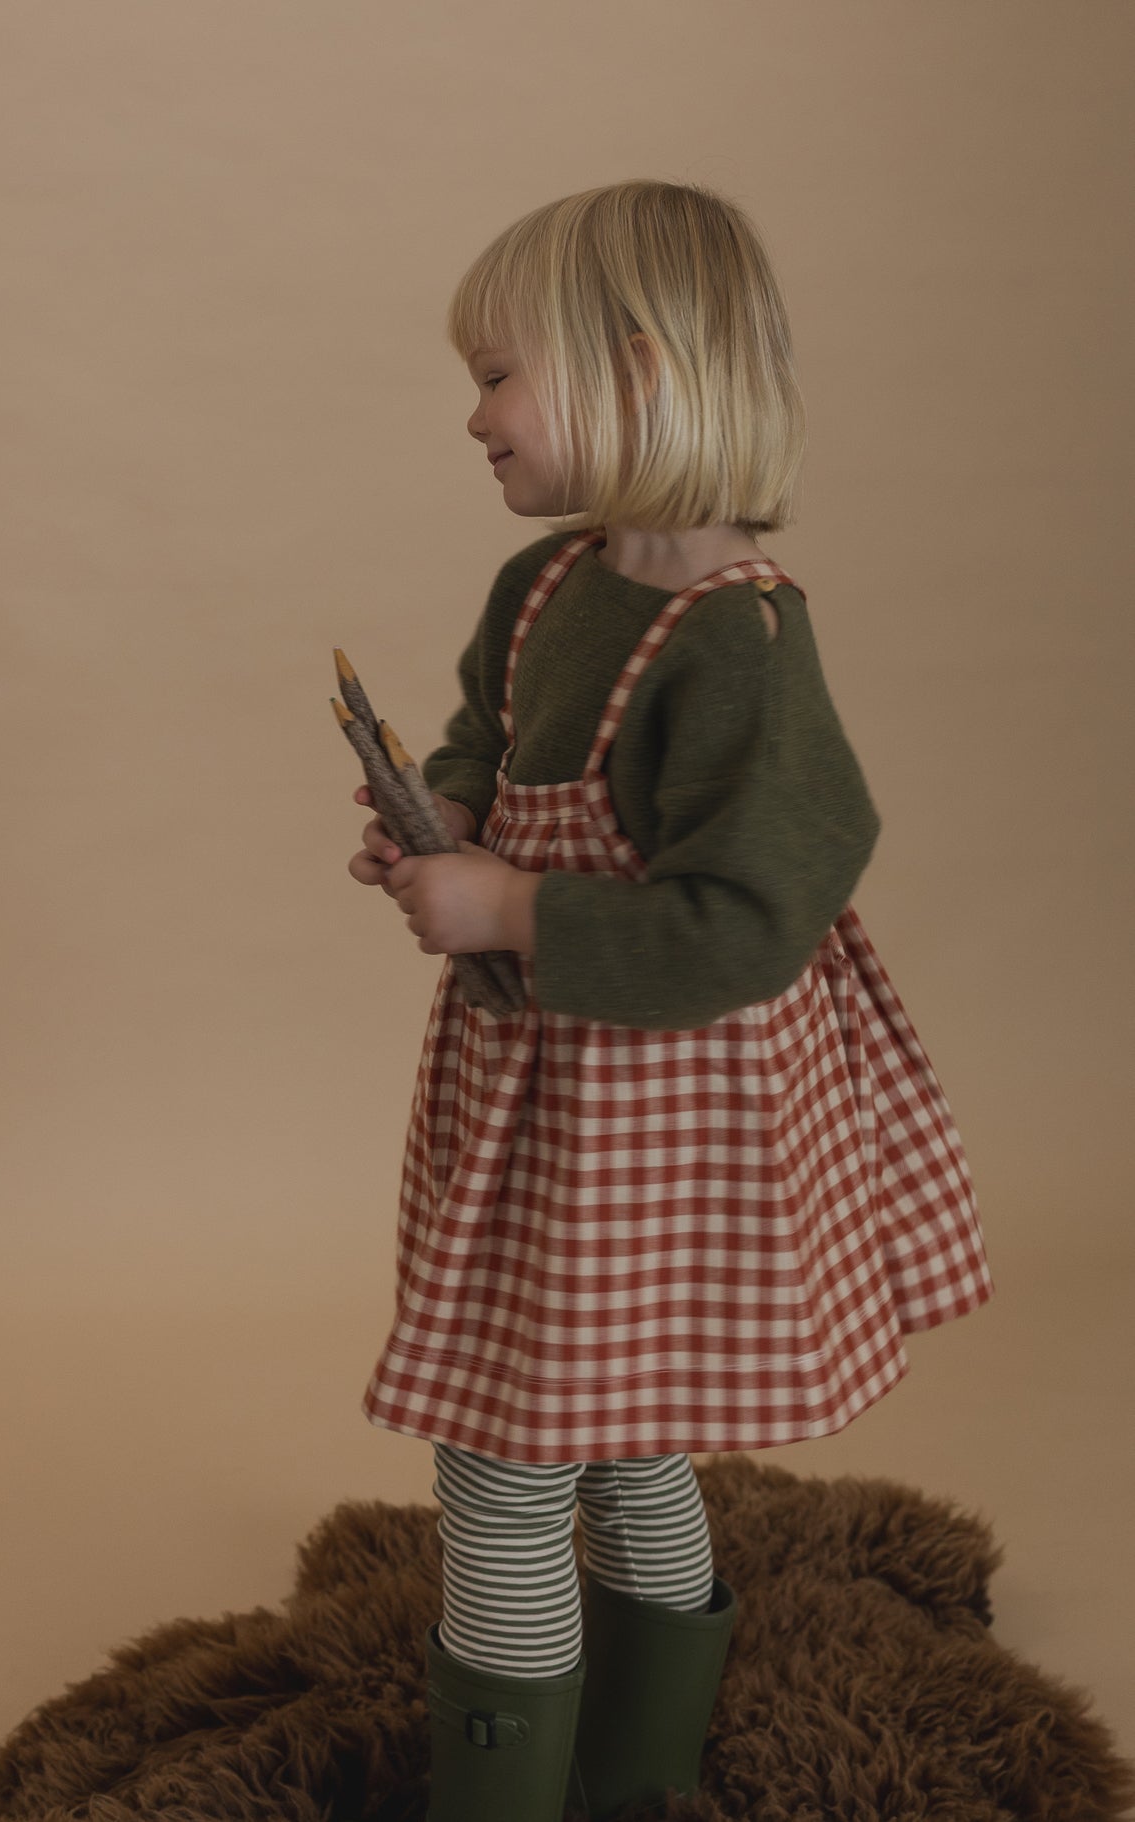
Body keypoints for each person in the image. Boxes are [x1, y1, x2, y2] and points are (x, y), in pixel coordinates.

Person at [345, 179, 993, 1822]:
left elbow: (748, 920)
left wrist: (511, 904)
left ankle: (523, 1797)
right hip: (544, 1109)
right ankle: (627, 1780)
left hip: (663, 1129)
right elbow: (477, 749)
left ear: (636, 374)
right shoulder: (545, 591)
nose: (471, 413)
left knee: (503, 1463)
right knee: (623, 1435)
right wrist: (442, 827)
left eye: (499, 372)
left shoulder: (741, 646)